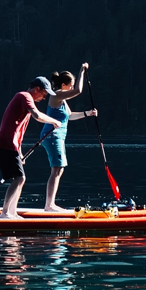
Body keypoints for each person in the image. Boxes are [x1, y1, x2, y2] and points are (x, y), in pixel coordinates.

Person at [0, 77, 63, 219]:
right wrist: (54, 121)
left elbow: (18, 131)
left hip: (10, 144)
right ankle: (5, 213)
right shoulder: (24, 96)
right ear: (37, 89)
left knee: (20, 178)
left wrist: (19, 151)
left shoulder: (24, 100)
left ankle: (12, 212)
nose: (44, 98)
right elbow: (37, 115)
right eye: (44, 94)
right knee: (19, 178)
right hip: (6, 143)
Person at [41, 62, 98, 213]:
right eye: (70, 85)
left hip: (57, 136)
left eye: (72, 85)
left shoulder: (62, 101)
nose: (72, 88)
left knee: (59, 169)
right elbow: (79, 90)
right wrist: (82, 71)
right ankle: (49, 205)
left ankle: (50, 204)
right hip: (52, 135)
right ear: (64, 85)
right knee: (57, 169)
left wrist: (87, 113)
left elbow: (70, 116)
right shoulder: (56, 95)